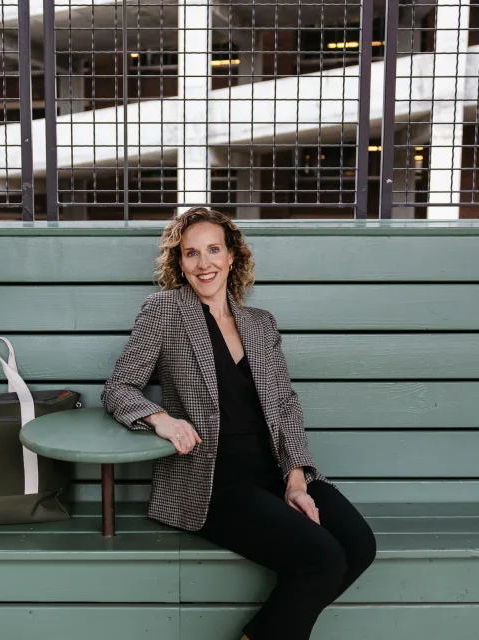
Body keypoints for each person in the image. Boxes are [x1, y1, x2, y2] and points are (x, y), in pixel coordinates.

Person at [101, 207, 377, 640]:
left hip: (273, 470)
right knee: (322, 558)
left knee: (359, 547)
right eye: (191, 254)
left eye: (214, 250)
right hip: (212, 480)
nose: (203, 263)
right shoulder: (165, 312)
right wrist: (161, 419)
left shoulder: (260, 324)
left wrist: (296, 481)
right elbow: (119, 387)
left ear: (233, 257)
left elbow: (285, 407)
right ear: (180, 264)